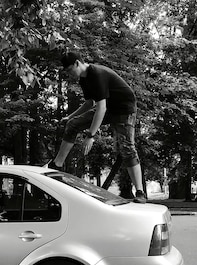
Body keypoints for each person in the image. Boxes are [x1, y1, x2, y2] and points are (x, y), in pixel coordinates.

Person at [46, 51, 146, 203]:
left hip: (124, 110)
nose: (69, 74)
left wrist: (90, 136)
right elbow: (89, 104)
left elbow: (101, 109)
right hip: (109, 108)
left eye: (69, 70)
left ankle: (140, 192)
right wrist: (71, 116)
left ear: (77, 63)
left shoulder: (97, 74)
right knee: (73, 125)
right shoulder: (83, 79)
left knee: (126, 148)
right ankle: (57, 164)